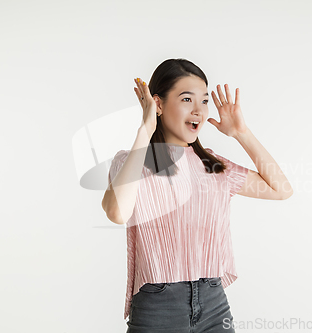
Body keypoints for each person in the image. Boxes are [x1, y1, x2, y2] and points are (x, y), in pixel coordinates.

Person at [102, 58, 293, 332]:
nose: (198, 111)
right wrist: (145, 131)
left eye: (204, 101)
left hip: (214, 304)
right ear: (158, 104)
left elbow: (281, 190)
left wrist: (241, 133)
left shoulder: (213, 165)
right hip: (157, 308)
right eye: (187, 99)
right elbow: (116, 212)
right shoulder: (131, 162)